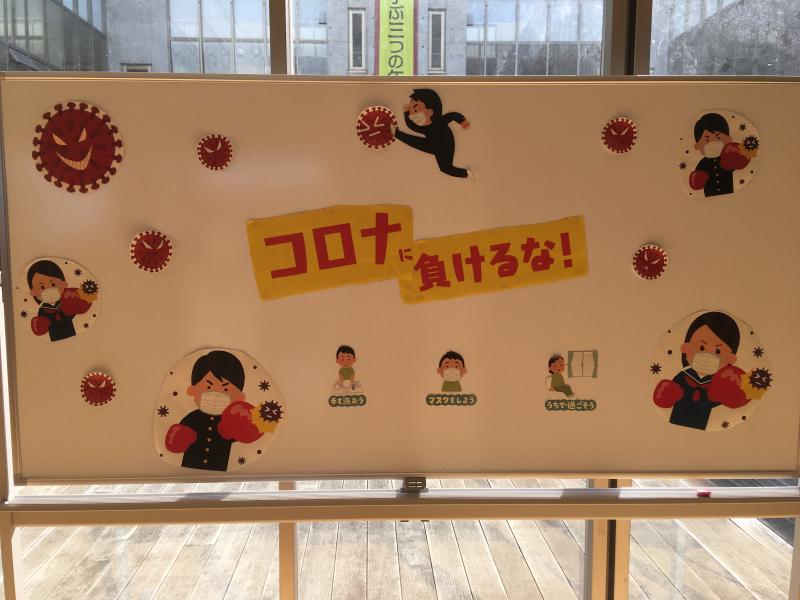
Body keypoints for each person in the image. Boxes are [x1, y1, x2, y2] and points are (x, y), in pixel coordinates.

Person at [165, 350, 262, 471]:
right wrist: (177, 438)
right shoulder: (191, 418)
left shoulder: (231, 421)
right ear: (192, 390)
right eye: (208, 387)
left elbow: (244, 436)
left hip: (220, 470)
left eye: (225, 390)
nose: (216, 394)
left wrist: (251, 424)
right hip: (188, 470)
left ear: (240, 397)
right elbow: (176, 445)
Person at [653, 311, 749, 431]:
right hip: (674, 423)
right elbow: (666, 400)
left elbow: (724, 402)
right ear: (685, 347)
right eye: (701, 347)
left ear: (731, 359)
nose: (707, 355)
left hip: (702, 424)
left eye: (717, 352)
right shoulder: (683, 376)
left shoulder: (719, 383)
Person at [394, 89, 472, 178]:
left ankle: (397, 134)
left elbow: (452, 115)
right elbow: (411, 126)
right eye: (411, 111)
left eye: (415, 110)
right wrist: (406, 113)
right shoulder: (424, 128)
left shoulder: (438, 122)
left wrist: (462, 121)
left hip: (445, 145)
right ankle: (466, 173)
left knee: (444, 167)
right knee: (445, 168)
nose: (412, 115)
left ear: (430, 112)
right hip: (433, 145)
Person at [27, 260, 92, 342]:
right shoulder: (43, 310)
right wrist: (40, 325)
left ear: (64, 284)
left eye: (53, 284)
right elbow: (41, 329)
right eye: (42, 287)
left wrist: (78, 301)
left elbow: (79, 308)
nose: (49, 290)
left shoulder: (66, 301)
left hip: (75, 337)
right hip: (55, 340)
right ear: (33, 292)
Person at [689, 112, 752, 197]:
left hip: (730, 193)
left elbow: (739, 165)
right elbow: (696, 183)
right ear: (697, 146)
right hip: (710, 196)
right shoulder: (703, 164)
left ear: (728, 139)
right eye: (707, 140)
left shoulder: (728, 157)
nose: (713, 142)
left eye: (718, 138)